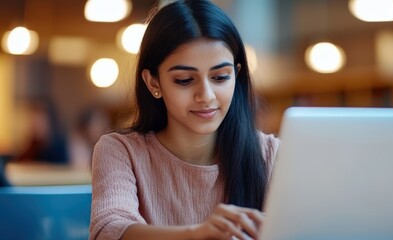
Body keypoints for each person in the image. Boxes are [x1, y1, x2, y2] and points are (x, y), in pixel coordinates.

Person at [89, 1, 280, 240]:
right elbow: (108, 231)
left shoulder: (270, 154)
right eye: (184, 80)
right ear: (153, 83)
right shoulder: (121, 151)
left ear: (236, 75)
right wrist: (197, 234)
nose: (206, 96)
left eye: (220, 77)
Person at [14, 100, 70, 164]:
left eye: (40, 120)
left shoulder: (58, 148)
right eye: (34, 119)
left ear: (50, 121)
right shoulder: (33, 146)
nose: (35, 124)